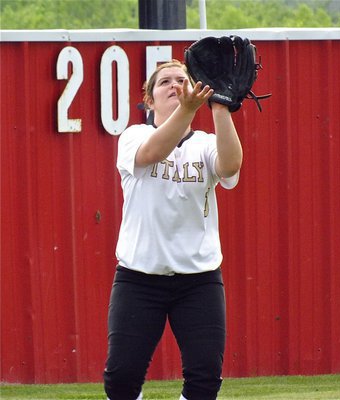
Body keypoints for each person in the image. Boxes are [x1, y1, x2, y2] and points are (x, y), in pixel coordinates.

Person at [103, 60, 243, 400]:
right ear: (149, 100)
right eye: (164, 82)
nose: (175, 85)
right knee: (121, 380)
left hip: (198, 279)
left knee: (204, 379)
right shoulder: (134, 136)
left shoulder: (206, 144)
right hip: (139, 277)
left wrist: (221, 107)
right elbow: (154, 151)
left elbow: (230, 166)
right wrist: (189, 108)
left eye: (182, 79)